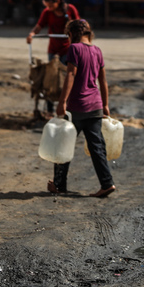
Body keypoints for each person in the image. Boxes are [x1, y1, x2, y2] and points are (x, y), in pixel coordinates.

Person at [49, 19, 116, 198]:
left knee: (64, 143)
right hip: (95, 106)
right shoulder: (97, 51)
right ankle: (107, 183)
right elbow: (103, 81)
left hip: (77, 106)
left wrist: (62, 102)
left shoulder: (75, 49)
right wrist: (106, 105)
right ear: (89, 33)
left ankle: (59, 185)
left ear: (72, 34)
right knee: (97, 147)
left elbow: (71, 74)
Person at [27, 0, 79, 113]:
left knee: (66, 78)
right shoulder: (47, 13)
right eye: (47, 6)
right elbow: (39, 26)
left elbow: (78, 24)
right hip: (53, 49)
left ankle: (66, 105)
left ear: (58, 2)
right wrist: (32, 34)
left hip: (68, 49)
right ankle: (50, 108)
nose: (49, 8)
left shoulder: (70, 9)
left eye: (51, 5)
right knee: (51, 78)